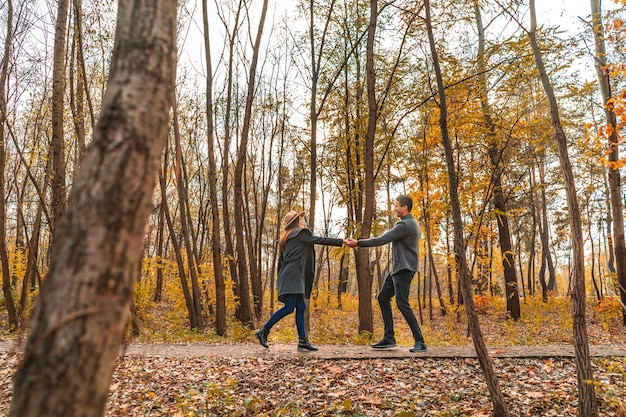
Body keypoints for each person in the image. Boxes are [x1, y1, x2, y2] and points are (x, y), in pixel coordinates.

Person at [345, 195, 426, 353]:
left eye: (396, 206)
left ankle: (420, 341)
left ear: (405, 208)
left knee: (402, 304)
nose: (394, 208)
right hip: (398, 268)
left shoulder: (405, 225)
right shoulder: (410, 223)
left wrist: (358, 243)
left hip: (404, 269)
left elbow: (382, 239)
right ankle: (389, 338)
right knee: (383, 297)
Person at [255, 210, 343, 351]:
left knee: (300, 306)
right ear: (297, 222)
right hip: (293, 276)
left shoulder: (285, 238)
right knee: (290, 307)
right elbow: (319, 240)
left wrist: (280, 280)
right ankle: (263, 331)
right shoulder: (300, 233)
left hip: (288, 276)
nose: (302, 221)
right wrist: (342, 242)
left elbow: (280, 263)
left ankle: (303, 340)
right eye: (300, 219)